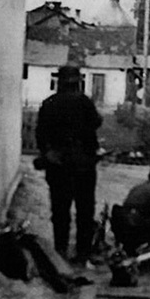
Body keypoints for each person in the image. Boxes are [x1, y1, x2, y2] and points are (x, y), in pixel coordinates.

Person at [35, 65, 103, 265]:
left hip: (59, 165)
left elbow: (40, 135)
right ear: (77, 82)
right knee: (85, 210)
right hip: (83, 166)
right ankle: (82, 253)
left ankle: (60, 250)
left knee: (60, 210)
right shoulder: (84, 102)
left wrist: (49, 153)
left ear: (60, 82)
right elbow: (96, 122)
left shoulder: (49, 103)